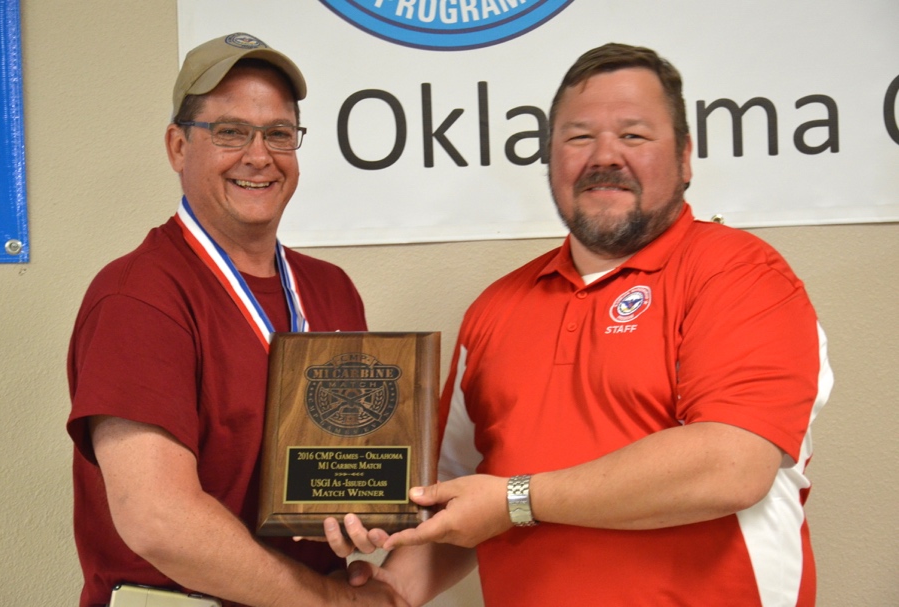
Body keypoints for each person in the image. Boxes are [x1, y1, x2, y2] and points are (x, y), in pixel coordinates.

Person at [327, 43, 834, 606]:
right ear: (549, 158)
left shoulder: (741, 274)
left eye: (634, 135)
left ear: (686, 157)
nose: (604, 157)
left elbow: (731, 467)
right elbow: (459, 503)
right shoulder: (494, 309)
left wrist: (516, 501)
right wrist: (388, 591)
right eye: (578, 137)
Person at [66, 33, 406, 607]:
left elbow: (344, 471)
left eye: (279, 134)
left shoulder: (332, 290)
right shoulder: (137, 297)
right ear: (178, 146)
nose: (259, 155)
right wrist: (333, 603)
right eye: (229, 132)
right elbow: (158, 521)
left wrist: (373, 511)